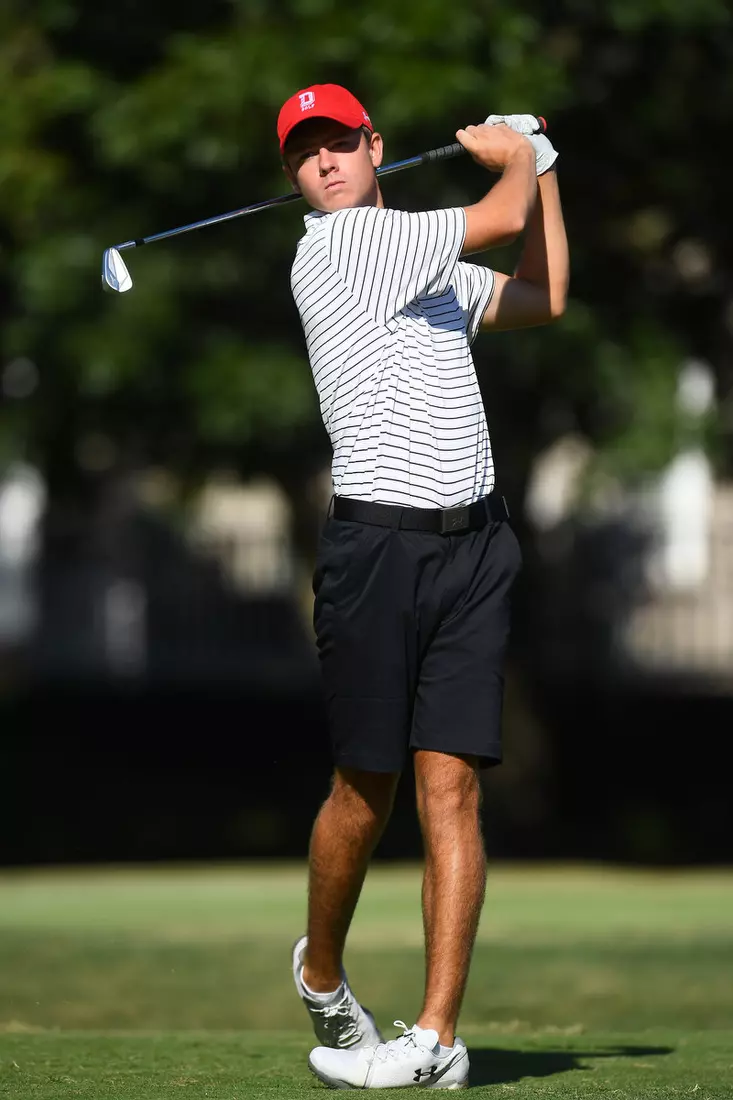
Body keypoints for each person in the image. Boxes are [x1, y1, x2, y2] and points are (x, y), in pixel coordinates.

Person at [276, 83, 569, 1089]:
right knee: (366, 790)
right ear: (297, 180)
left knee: (451, 790)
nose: (322, 162)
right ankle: (321, 970)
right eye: (304, 154)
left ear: (374, 147)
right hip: (378, 551)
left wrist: (546, 169)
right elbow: (498, 214)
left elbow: (540, 295)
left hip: (471, 546)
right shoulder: (344, 248)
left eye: (338, 143)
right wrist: (513, 156)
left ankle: (437, 1039)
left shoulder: (423, 259)